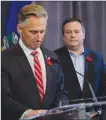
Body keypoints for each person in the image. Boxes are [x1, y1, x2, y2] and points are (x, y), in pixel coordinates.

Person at [1, 4, 68, 120]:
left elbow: (61, 92)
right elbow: (2, 98)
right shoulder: (4, 59)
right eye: (33, 32)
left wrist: (60, 110)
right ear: (19, 29)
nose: (39, 37)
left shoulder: (53, 57)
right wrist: (28, 113)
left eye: (42, 32)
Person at [54, 18, 106, 103]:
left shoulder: (97, 58)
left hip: (94, 112)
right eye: (68, 32)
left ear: (84, 35)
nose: (73, 35)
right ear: (63, 37)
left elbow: (103, 86)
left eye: (76, 31)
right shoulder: (55, 58)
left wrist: (99, 110)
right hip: (66, 112)